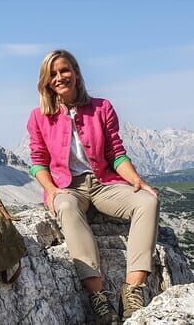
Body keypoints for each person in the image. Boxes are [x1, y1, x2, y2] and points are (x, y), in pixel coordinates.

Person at [27, 50, 159, 324]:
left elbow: (116, 153)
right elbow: (37, 162)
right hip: (67, 187)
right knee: (65, 205)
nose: (60, 77)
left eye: (64, 70)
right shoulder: (39, 117)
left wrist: (136, 180)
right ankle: (98, 297)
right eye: (53, 74)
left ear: (75, 72)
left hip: (103, 183)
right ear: (46, 81)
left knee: (147, 201)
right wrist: (52, 191)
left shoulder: (102, 107)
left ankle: (133, 290)